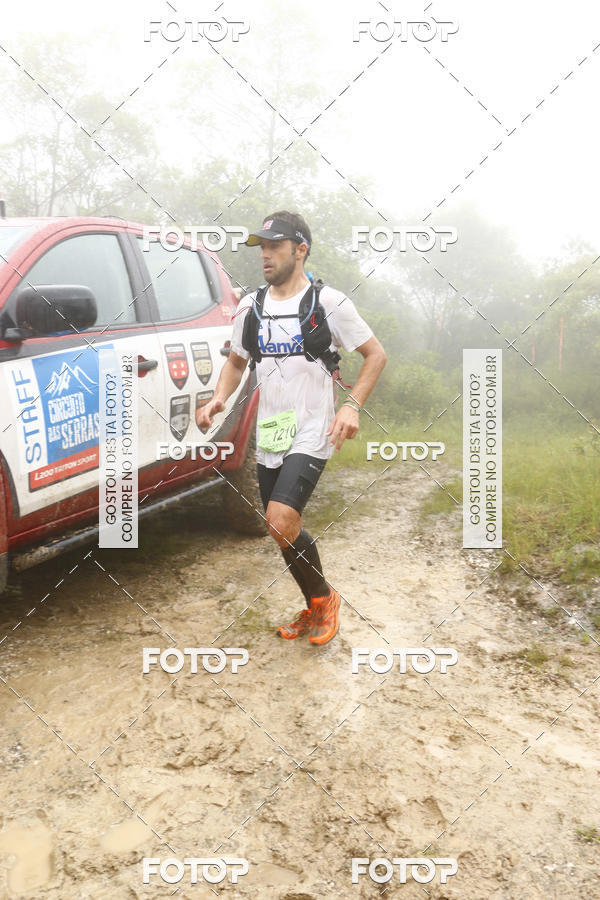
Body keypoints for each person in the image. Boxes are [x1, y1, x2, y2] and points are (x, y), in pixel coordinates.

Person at [197, 211, 386, 645]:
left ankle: (325, 600)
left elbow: (375, 355)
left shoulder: (329, 304)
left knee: (281, 518)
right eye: (261, 246)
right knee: (280, 527)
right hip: (273, 430)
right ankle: (314, 605)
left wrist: (352, 406)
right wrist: (220, 397)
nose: (265, 254)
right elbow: (237, 361)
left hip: (314, 429)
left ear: (300, 250)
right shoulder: (251, 307)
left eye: (275, 245)